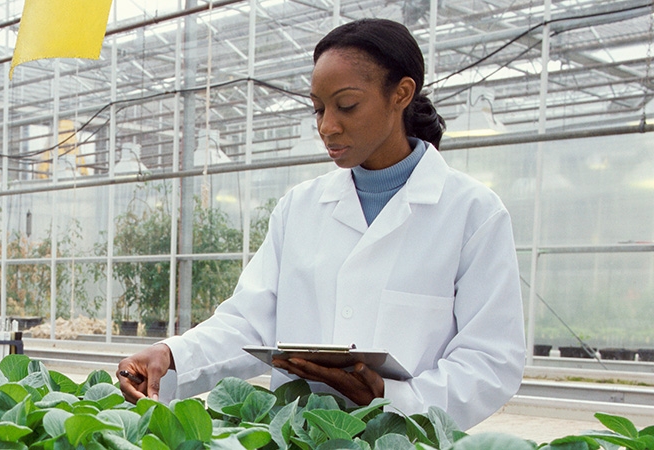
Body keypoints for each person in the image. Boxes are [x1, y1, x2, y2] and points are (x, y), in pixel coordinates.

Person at [116, 18, 525, 429]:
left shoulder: (472, 212)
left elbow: (492, 358)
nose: (328, 126)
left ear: (401, 93)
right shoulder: (301, 207)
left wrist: (393, 397)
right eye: (319, 108)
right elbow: (250, 322)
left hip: (407, 438)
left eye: (346, 105)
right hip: (299, 435)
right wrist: (170, 357)